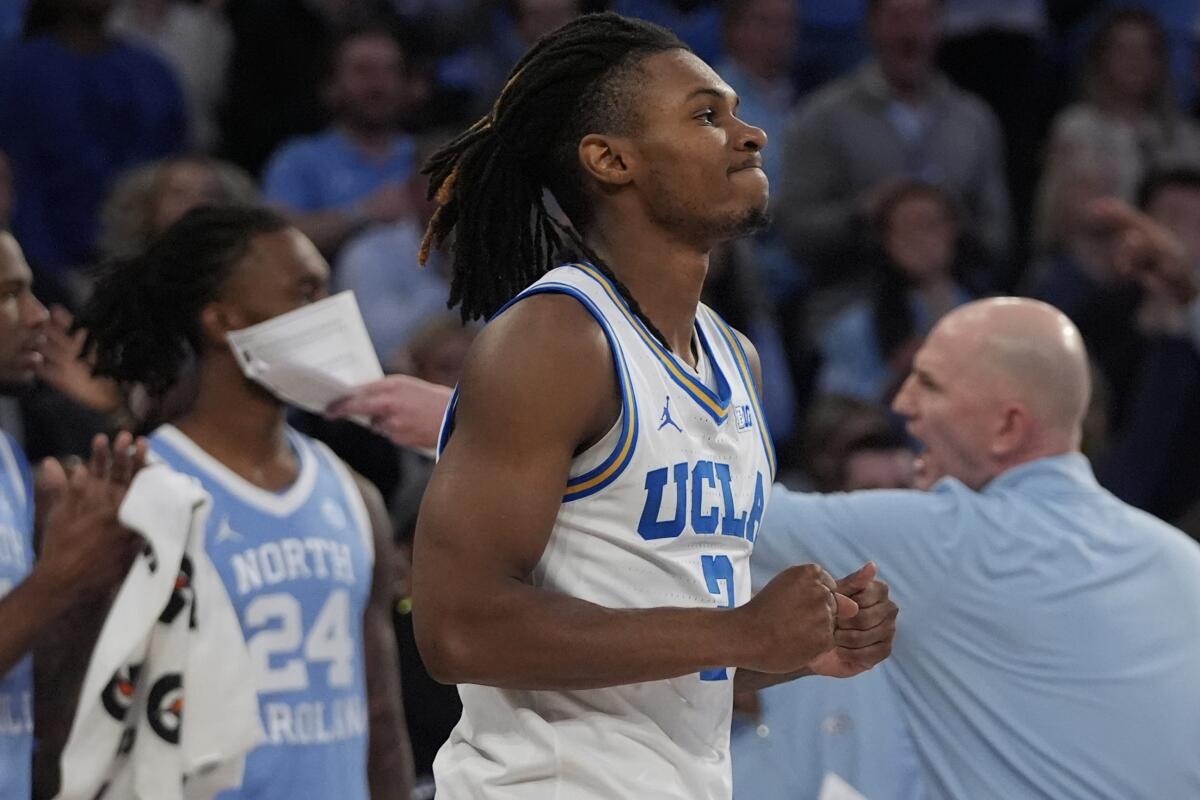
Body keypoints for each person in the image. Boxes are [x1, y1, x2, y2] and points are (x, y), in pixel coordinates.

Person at [335, 13, 897, 799]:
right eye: (707, 116)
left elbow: (654, 632)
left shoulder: (734, 356)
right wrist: (739, 632)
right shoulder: (555, 337)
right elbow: (457, 626)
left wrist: (796, 649)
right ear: (610, 159)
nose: (750, 135)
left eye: (736, 111)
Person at [753, 296, 1200, 799]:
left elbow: (727, 517)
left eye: (930, 385)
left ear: (1007, 427)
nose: (902, 403)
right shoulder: (1184, 561)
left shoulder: (953, 540)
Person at [76, 205, 415, 800]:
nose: (328, 313)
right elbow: (99, 709)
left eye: (327, 289)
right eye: (304, 293)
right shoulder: (144, 486)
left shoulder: (354, 495)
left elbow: (380, 712)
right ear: (221, 320)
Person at [0, 229, 146, 799]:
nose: (39, 316)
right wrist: (60, 578)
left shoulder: (12, 462)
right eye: (9, 295)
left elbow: (36, 691)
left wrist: (88, 587)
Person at [777, 0, 1011, 287]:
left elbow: (999, 235)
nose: (909, 33)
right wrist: (863, 213)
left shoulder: (973, 119)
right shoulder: (823, 117)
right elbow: (796, 233)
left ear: (941, 26)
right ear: (871, 26)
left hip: (953, 296)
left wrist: (949, 222)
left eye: (922, 17)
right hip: (853, 298)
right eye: (897, 17)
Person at [0, 0, 186, 290]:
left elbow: (172, 167)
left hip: (143, 268)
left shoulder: (151, 72)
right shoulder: (17, 70)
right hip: (43, 264)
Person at [262, 21, 420, 254]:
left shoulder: (430, 158)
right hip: (333, 287)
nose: (378, 85)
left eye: (389, 70)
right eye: (363, 71)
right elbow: (276, 239)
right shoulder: (298, 159)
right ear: (331, 86)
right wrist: (364, 214)